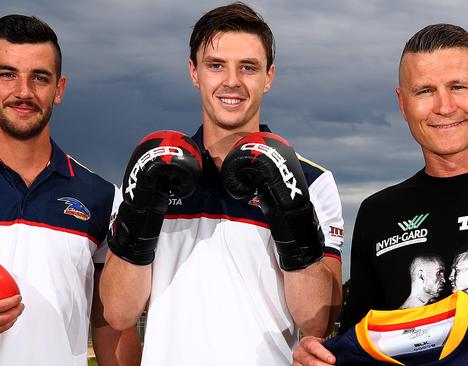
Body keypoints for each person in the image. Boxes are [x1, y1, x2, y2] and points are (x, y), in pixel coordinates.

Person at [293, 23, 468, 366]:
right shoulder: (378, 214)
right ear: (402, 103)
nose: (444, 106)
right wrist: (320, 358)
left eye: (458, 86)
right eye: (424, 91)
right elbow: (363, 343)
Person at [100, 2, 345, 365]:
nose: (232, 81)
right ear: (194, 72)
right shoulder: (153, 169)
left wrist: (290, 211)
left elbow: (315, 321)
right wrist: (140, 211)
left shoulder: (314, 181)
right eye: (216, 65)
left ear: (269, 76)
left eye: (248, 67)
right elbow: (119, 313)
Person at [0, 14, 139, 365]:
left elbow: (113, 324)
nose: (24, 92)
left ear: (60, 88)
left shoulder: (102, 196)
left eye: (40, 77)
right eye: (8, 74)